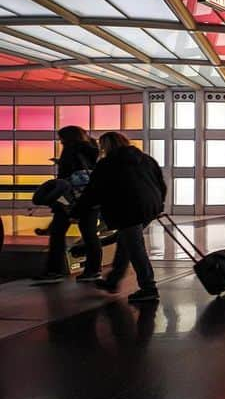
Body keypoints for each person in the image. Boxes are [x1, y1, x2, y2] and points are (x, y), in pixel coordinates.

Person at [70, 131, 166, 304]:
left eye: (102, 145)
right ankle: (113, 281)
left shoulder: (108, 164)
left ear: (106, 146)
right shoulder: (146, 159)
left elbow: (93, 191)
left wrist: (76, 211)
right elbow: (160, 183)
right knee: (126, 242)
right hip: (149, 206)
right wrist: (159, 204)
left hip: (127, 209)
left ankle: (148, 287)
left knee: (135, 248)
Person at [31, 126, 103, 284]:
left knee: (57, 233)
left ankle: (54, 271)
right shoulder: (92, 149)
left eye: (61, 138)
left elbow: (65, 177)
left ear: (69, 138)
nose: (60, 141)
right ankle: (93, 270)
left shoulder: (71, 150)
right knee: (90, 234)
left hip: (70, 198)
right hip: (89, 197)